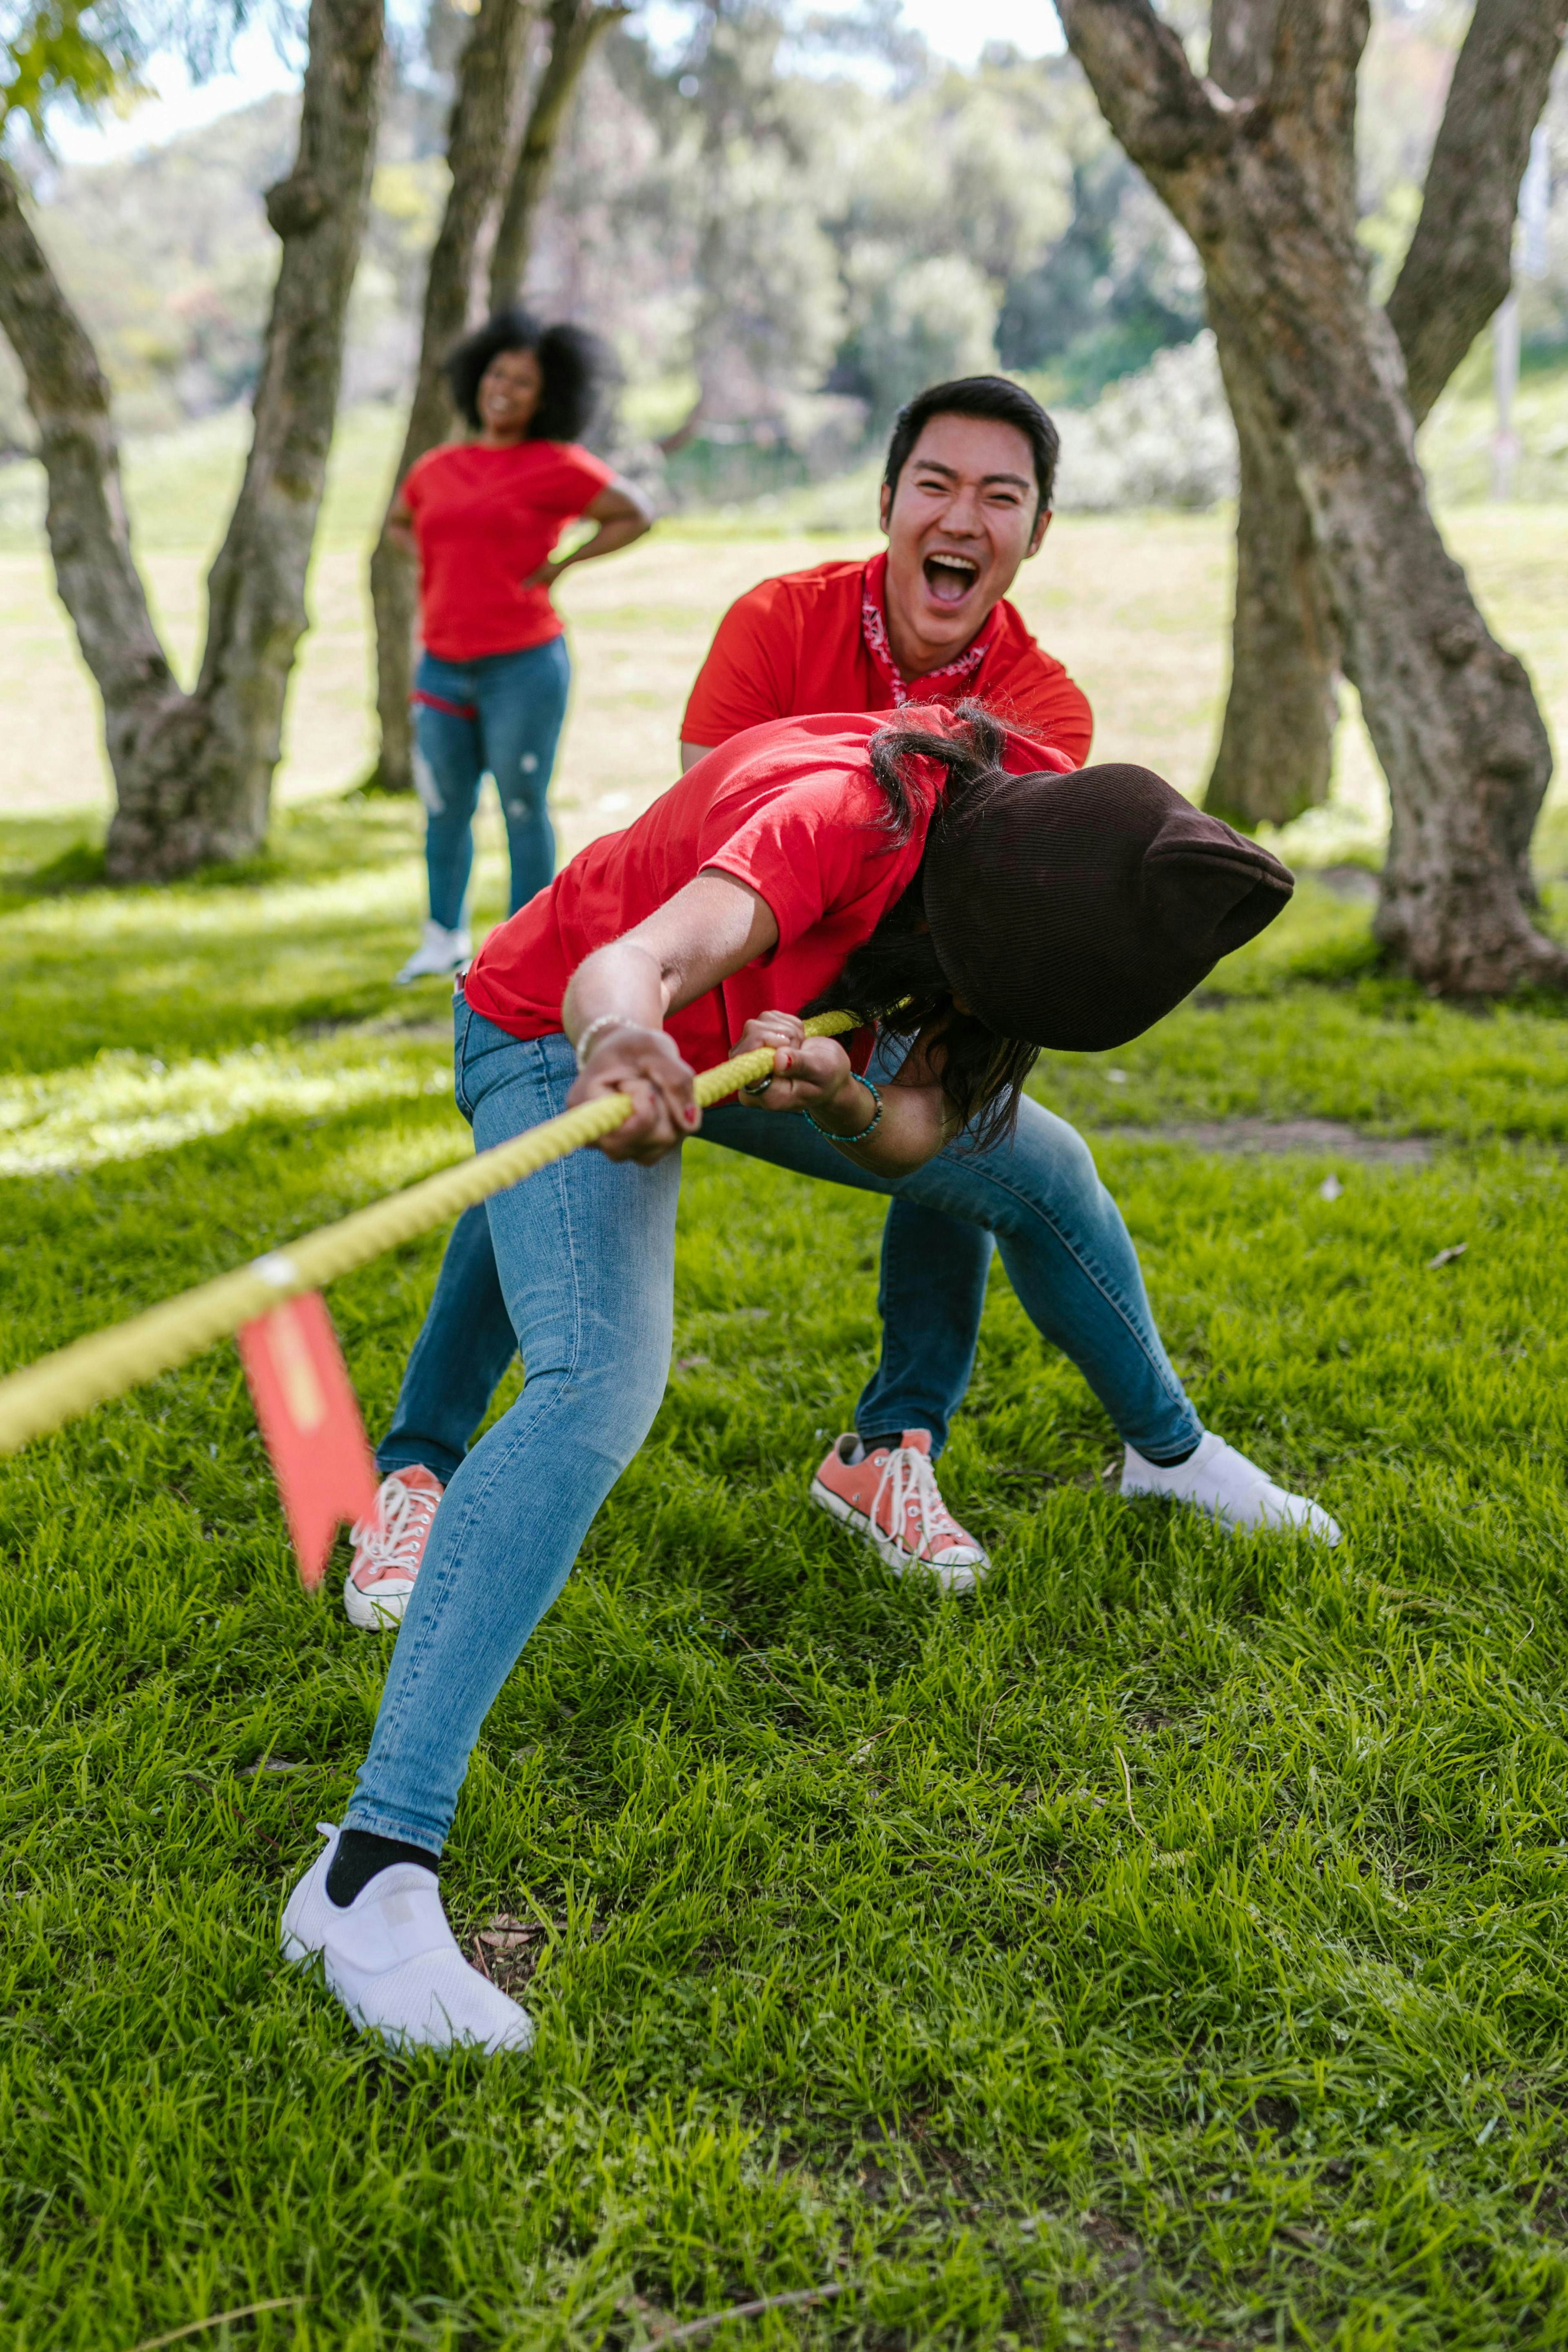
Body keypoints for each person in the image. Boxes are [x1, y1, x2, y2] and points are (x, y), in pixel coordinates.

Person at [283, 702, 1301, 2052]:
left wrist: (841, 1097)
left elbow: (925, 1127)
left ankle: (1169, 1454)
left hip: (735, 1043)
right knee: (598, 1383)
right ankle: (363, 1880)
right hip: (552, 1027)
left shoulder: (1027, 864)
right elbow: (628, 961)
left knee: (1037, 1164)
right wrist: (625, 1043)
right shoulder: (840, 818)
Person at [343, 374, 1338, 1634]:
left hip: (857, 1023)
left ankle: (923, 1448)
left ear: (1036, 534)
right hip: (686, 980)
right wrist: (661, 1014)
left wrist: (861, 1063)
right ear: (888, 503)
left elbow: (979, 931)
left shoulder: (1045, 709)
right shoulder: (778, 620)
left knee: (1005, 1146)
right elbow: (719, 823)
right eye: (936, 484)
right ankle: (415, 1471)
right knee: (554, 1121)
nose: (962, 516)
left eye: (1001, 495)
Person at [388, 308, 654, 987]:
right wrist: (446, 568)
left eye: (524, 382)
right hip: (443, 667)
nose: (504, 389)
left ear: (547, 397)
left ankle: (524, 948)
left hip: (524, 667)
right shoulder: (436, 468)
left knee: (520, 805)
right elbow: (400, 521)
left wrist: (565, 563)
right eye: (498, 374)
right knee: (444, 808)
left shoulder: (556, 466)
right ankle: (442, 936)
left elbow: (636, 513)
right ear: (478, 377)